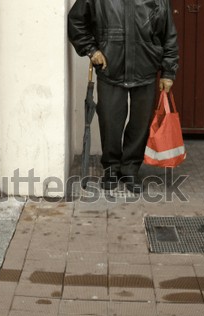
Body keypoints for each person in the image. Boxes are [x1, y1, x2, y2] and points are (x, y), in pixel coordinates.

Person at [68, 0, 179, 193]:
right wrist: (91, 50)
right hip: (111, 67)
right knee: (110, 121)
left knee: (140, 123)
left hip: (146, 68)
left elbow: (168, 35)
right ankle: (111, 168)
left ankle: (130, 169)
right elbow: (76, 21)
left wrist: (168, 72)